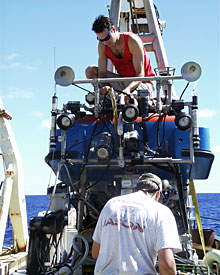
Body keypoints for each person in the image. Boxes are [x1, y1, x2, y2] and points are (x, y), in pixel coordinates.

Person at [92, 173, 182, 275]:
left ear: (135, 190)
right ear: (158, 194)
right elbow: (167, 266)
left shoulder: (111, 204)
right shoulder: (161, 211)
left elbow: (95, 253)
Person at [85, 15, 155, 104]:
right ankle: (103, 101)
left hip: (142, 82)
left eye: (107, 38)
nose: (105, 42)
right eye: (100, 39)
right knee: (90, 71)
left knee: (129, 100)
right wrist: (104, 86)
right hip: (122, 81)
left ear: (113, 29)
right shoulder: (102, 45)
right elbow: (102, 73)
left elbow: (140, 74)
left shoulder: (132, 41)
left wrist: (127, 90)